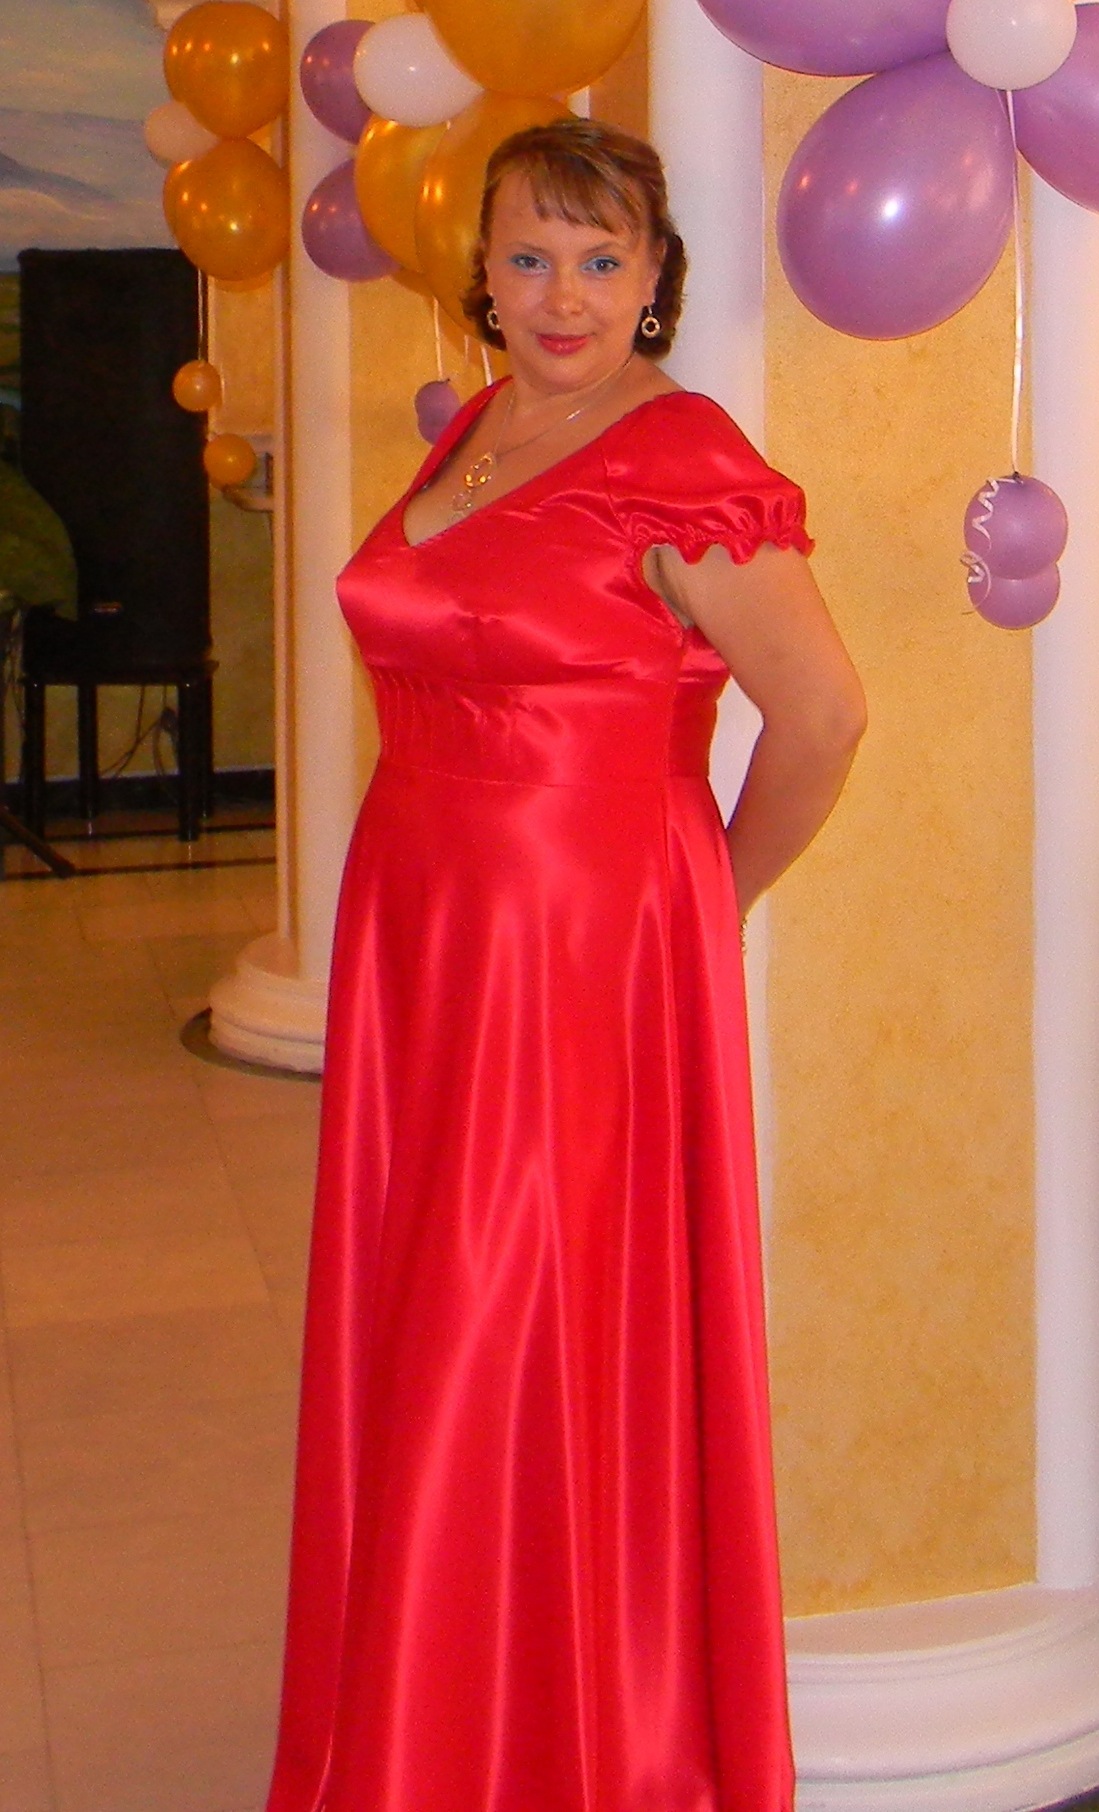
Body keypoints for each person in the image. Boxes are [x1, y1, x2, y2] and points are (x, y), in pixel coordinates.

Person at [265, 117, 865, 1812]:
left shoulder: (679, 456)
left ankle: (544, 1745)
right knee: (429, 1317)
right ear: (482, 272)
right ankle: (434, 1708)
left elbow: (824, 716)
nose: (565, 295)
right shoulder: (478, 429)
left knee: (515, 1320)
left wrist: (702, 901)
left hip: (578, 955)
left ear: (658, 274)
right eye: (530, 257)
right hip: (429, 937)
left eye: (603, 260)